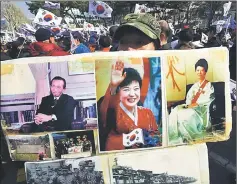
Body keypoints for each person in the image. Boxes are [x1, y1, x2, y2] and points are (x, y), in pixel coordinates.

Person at [99, 60, 158, 151]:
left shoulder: (147, 112)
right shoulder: (113, 110)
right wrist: (114, 86)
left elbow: (155, 137)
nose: (132, 94)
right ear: (119, 91)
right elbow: (107, 108)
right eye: (126, 89)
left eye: (136, 89)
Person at [168, 59, 215, 145]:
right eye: (197, 70)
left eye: (202, 70)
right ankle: (175, 136)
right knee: (175, 111)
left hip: (200, 112)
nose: (199, 72)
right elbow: (188, 99)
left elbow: (206, 100)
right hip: (191, 107)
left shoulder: (209, 85)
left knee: (184, 115)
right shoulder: (194, 86)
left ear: (205, 72)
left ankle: (187, 137)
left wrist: (191, 105)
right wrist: (187, 105)